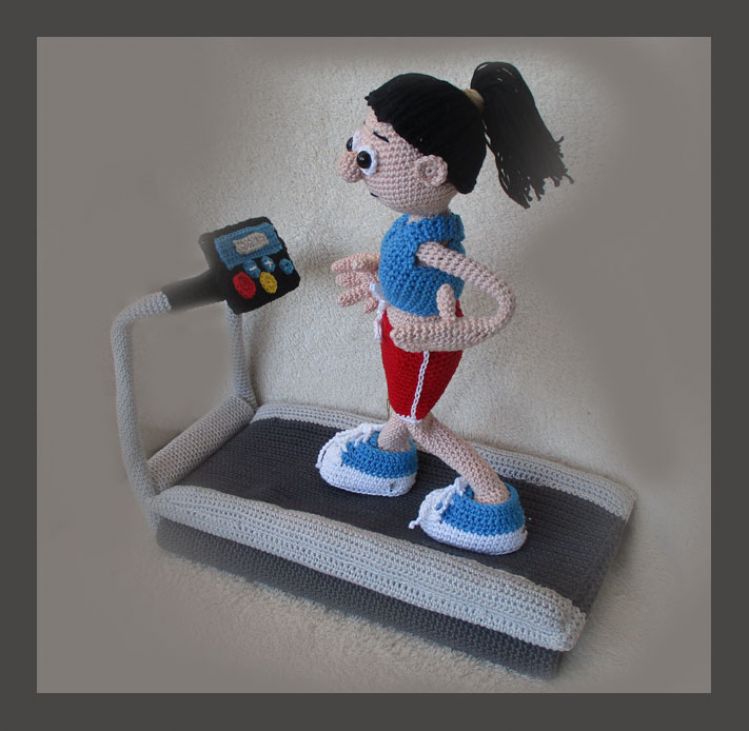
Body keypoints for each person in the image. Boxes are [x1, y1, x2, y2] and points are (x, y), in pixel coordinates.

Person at [316, 62, 570, 554]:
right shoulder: (410, 226)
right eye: (357, 142)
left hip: (423, 346)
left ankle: (492, 497)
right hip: (400, 333)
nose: (352, 164)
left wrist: (457, 330)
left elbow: (501, 298)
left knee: (420, 420)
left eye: (368, 155)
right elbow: (403, 270)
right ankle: (390, 450)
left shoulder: (435, 246)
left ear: (430, 171)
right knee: (403, 405)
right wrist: (378, 276)